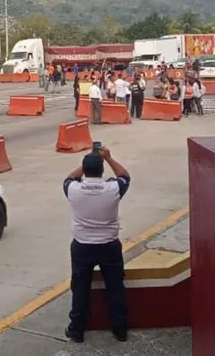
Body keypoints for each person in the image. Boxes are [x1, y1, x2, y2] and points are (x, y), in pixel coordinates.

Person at [62, 147, 131, 344]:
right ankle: (120, 330)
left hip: (82, 246)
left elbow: (68, 178)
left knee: (80, 288)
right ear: (102, 171)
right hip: (109, 245)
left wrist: (83, 167)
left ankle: (76, 330)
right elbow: (125, 175)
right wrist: (108, 158)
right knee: (115, 287)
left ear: (84, 170)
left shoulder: (73, 189)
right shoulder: (113, 189)